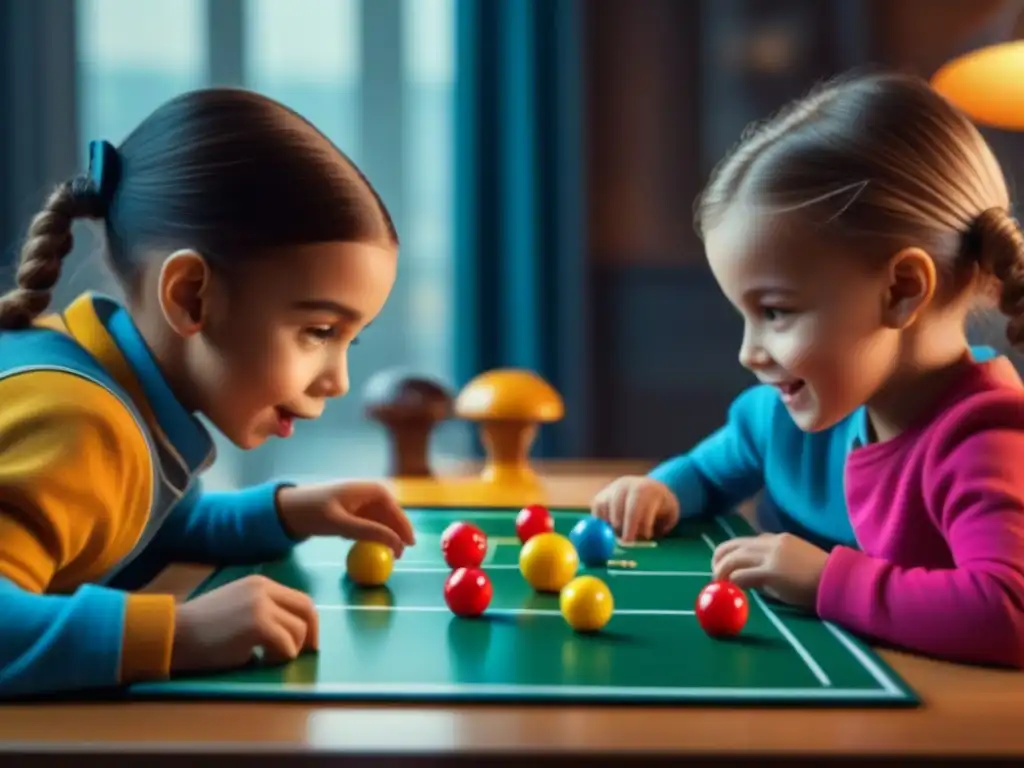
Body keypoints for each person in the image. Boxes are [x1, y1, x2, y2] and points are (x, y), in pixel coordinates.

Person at [594, 71, 1024, 668]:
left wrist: (827, 581)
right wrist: (660, 489)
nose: (749, 352)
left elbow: (1008, 613)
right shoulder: (785, 413)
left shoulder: (986, 440)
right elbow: (707, 472)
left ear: (901, 290)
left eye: (775, 312)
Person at [0, 88, 417, 697]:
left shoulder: (110, 384)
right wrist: (176, 633)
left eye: (348, 340)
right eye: (318, 332)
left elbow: (141, 520)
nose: (338, 381)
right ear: (191, 295)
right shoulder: (82, 425)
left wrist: (281, 511)